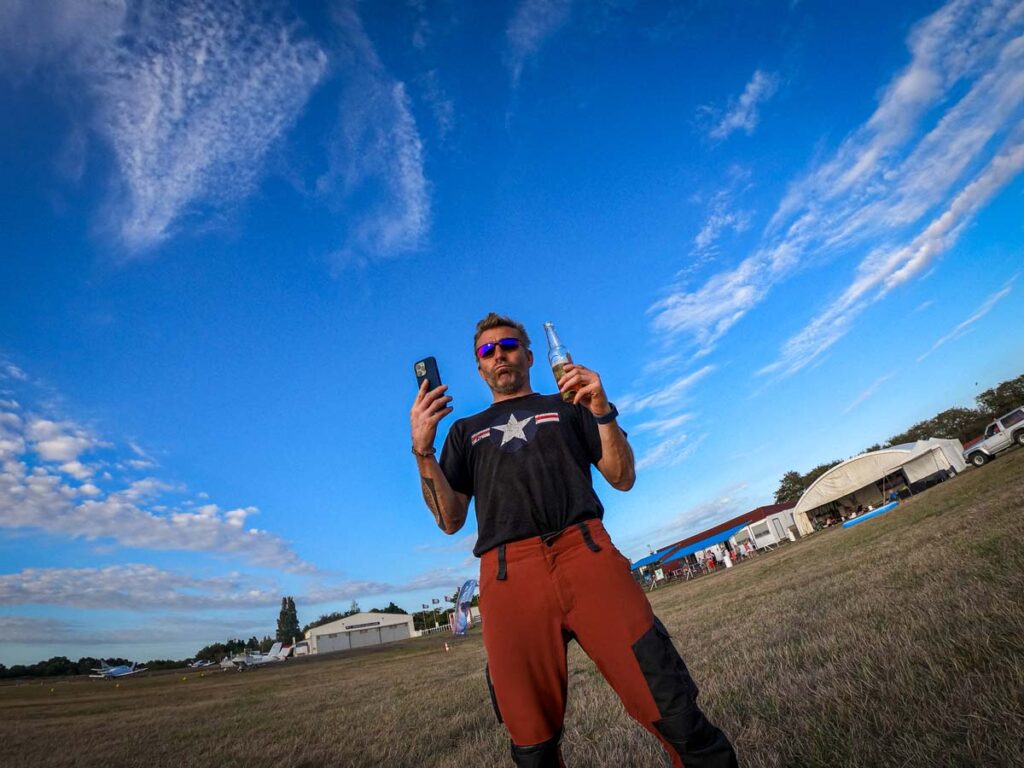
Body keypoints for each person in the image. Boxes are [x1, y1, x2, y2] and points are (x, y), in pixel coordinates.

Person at [410, 313, 738, 768]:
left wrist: (601, 408)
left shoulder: (569, 404)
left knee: (671, 706)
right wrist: (423, 449)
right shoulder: (466, 431)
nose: (499, 354)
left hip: (585, 552)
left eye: (508, 346)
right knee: (532, 742)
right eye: (488, 351)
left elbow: (622, 477)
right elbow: (449, 519)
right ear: (479, 367)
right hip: (509, 574)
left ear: (529, 355)